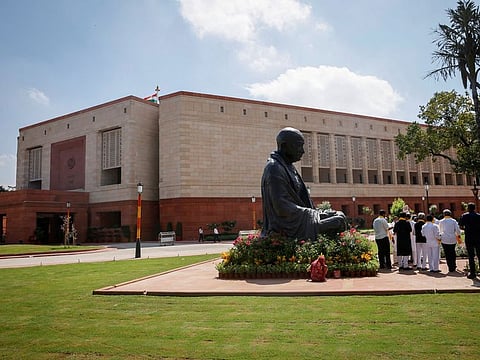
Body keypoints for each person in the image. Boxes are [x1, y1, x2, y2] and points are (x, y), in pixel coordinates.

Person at [261, 127, 347, 240]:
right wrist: (318, 215)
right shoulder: (274, 168)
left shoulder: (289, 167)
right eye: (298, 145)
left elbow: (303, 202)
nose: (302, 151)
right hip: (287, 226)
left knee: (339, 215)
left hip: (300, 219)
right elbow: (281, 207)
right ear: (284, 146)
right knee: (337, 221)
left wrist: (320, 214)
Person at [458, 203, 480, 279]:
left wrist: (466, 229)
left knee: (471, 256)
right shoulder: (478, 216)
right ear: (474, 208)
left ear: (468, 208)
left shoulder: (464, 216)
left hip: (469, 237)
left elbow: (460, 225)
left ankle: (473, 273)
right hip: (478, 237)